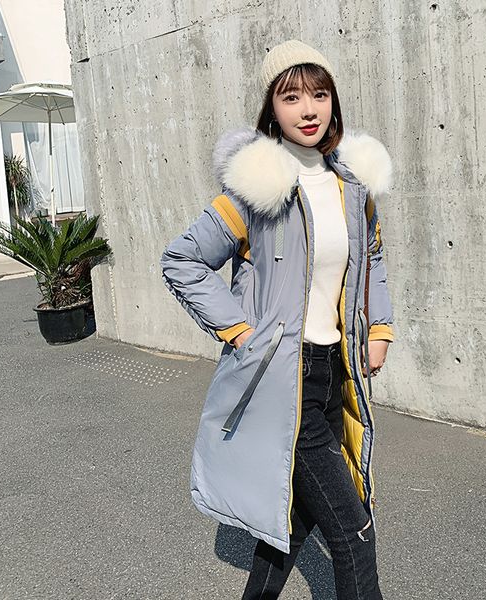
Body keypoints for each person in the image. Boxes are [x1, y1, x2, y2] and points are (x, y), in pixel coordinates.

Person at [160, 39, 394, 599]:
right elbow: (182, 259)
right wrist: (240, 330)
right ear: (272, 107)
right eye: (291, 97)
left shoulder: (353, 188)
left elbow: (373, 259)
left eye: (319, 94)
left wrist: (379, 328)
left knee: (292, 520)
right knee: (354, 532)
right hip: (283, 377)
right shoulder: (256, 189)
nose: (308, 110)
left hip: (336, 370)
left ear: (334, 101)